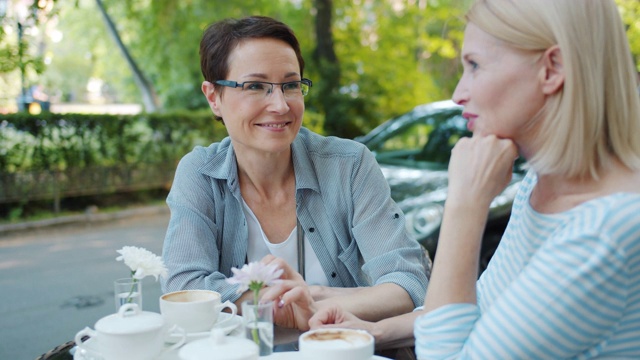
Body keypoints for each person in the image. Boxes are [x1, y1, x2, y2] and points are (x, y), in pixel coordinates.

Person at [264, 0, 640, 358]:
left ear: (552, 68)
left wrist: (465, 205)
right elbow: (477, 313)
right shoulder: (539, 187)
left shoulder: (606, 230)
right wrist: (373, 331)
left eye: (474, 65)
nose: (459, 94)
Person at [160, 15, 430, 326]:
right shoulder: (200, 174)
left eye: (290, 85)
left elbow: (406, 283)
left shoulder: (350, 165)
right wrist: (288, 305)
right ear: (213, 97)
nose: (280, 105)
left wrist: (312, 298)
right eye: (256, 86)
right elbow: (183, 289)